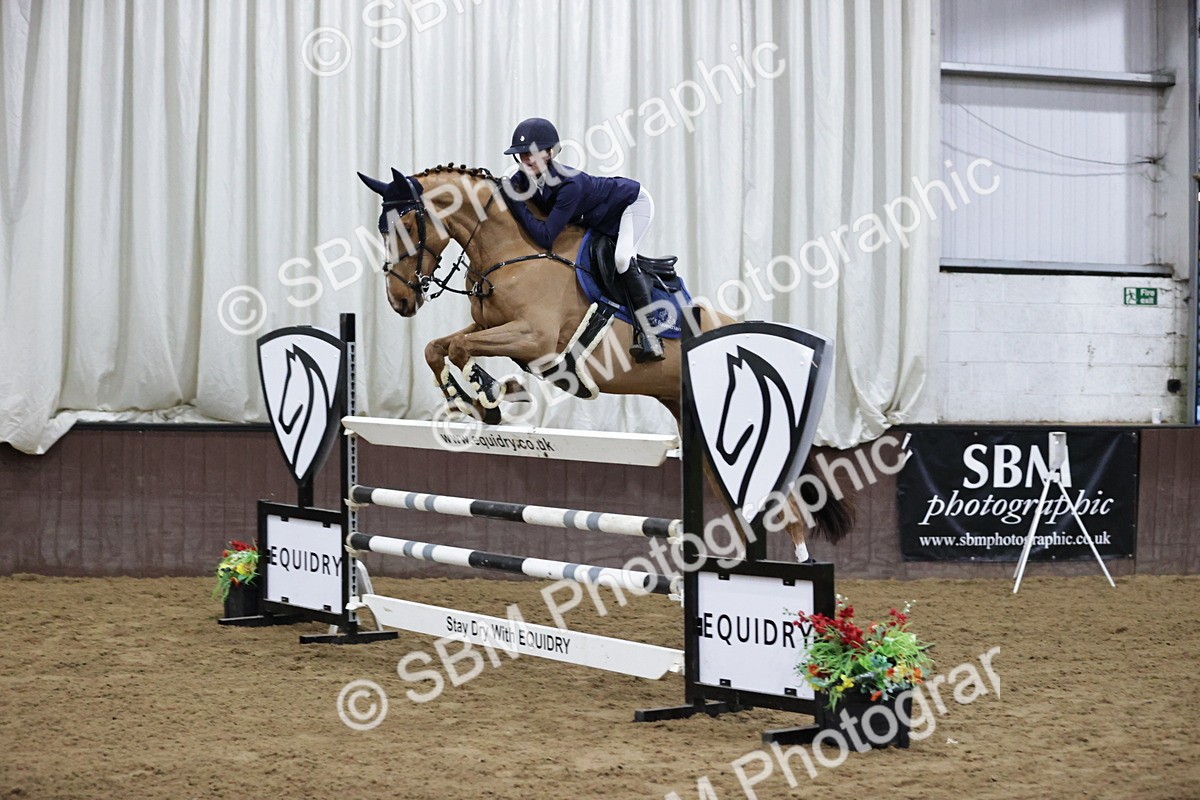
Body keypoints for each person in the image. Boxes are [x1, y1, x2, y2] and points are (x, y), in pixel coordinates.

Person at [500, 117, 664, 362]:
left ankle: (651, 335)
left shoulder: (569, 185)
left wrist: (515, 202)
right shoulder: (524, 178)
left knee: (622, 259)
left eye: (532, 154)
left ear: (549, 153)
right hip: (598, 216)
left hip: (631, 205)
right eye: (521, 154)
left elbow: (545, 237)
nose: (525, 159)